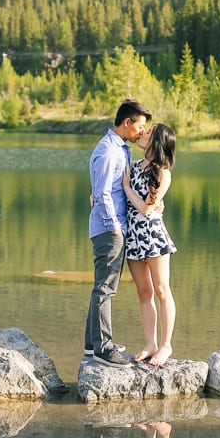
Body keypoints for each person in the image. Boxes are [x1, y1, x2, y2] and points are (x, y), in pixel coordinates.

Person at [84, 99, 151, 365]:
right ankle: (103, 348)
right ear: (127, 123)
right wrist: (114, 226)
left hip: (111, 228)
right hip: (109, 230)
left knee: (102, 287)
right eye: (140, 126)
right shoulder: (109, 151)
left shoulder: (119, 148)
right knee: (105, 288)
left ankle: (92, 345)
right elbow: (100, 194)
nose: (141, 132)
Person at [122, 122, 177, 367]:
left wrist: (126, 187)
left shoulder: (163, 173)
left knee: (162, 289)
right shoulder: (132, 167)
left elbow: (146, 208)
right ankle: (150, 344)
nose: (143, 132)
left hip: (152, 236)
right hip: (133, 236)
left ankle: (166, 346)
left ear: (158, 142)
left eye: (150, 131)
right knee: (144, 293)